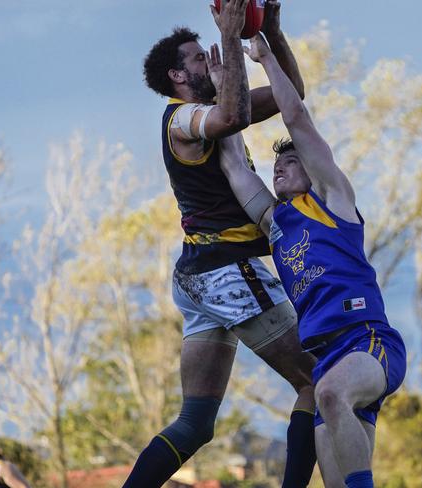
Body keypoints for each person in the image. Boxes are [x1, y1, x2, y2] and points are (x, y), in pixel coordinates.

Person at [123, 1, 316, 487]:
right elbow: (230, 115)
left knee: (196, 424)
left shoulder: (213, 111)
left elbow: (295, 96)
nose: (208, 56)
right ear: (177, 75)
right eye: (196, 57)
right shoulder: (182, 119)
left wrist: (270, 33)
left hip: (200, 274)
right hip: (224, 270)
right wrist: (231, 36)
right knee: (317, 382)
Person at [218, 33, 407, 488]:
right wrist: (220, 88)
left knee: (328, 393)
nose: (279, 167)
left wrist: (264, 58)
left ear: (312, 169)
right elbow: (233, 165)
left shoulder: (332, 199)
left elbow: (296, 117)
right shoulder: (275, 222)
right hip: (327, 357)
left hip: (368, 343)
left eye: (291, 162)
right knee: (336, 471)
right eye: (277, 164)